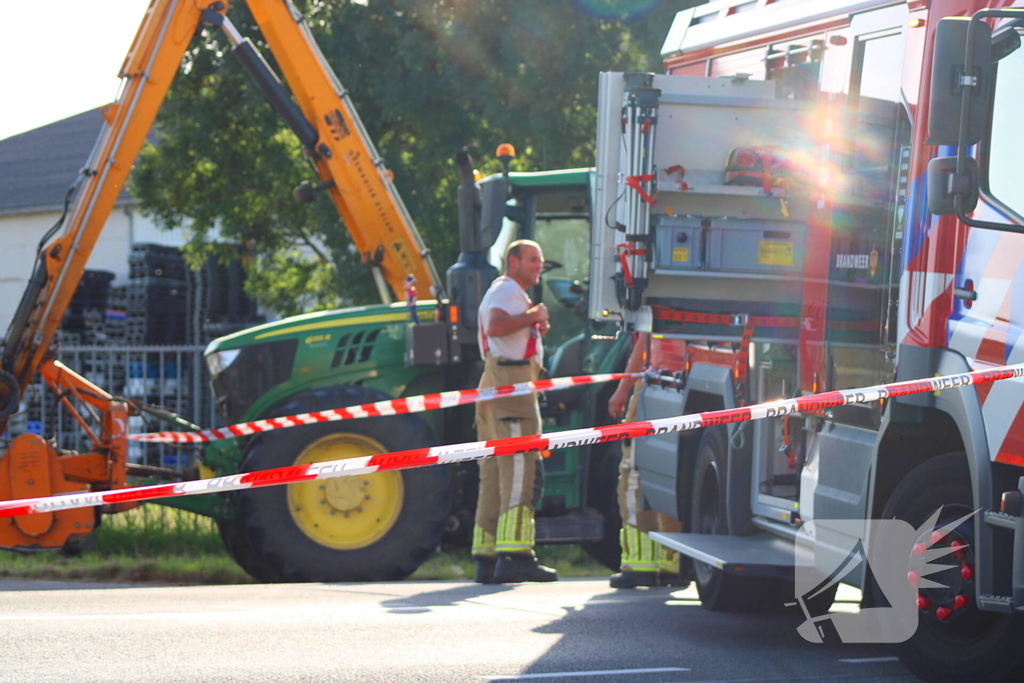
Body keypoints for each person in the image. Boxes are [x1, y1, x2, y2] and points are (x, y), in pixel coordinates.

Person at [472, 239, 558, 584]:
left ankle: (487, 556)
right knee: (521, 467)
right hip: (512, 384)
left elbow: (502, 330)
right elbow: (496, 326)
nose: (539, 265)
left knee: (493, 471)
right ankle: (516, 555)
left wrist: (531, 326)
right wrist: (533, 315)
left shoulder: (503, 291)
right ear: (513, 262)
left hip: (498, 381)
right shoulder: (508, 292)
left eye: (540, 259)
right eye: (533, 259)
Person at [606, 332, 684, 588]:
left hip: (651, 387)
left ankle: (640, 564)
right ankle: (671, 564)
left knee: (633, 478)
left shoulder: (649, 304)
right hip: (677, 386)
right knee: (665, 474)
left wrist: (621, 391)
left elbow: (643, 345)